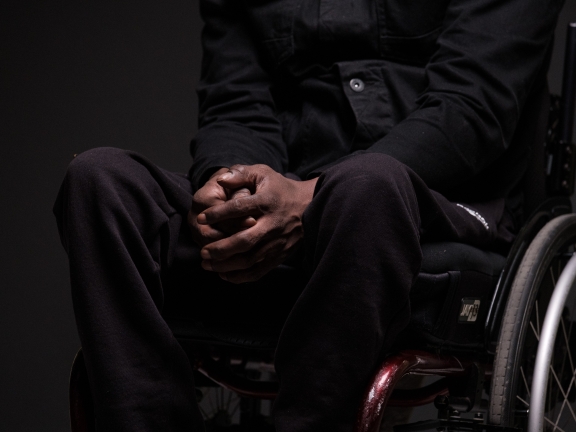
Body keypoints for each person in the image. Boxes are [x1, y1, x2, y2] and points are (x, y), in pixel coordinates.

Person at [54, 0, 564, 431]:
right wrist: (232, 187)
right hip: (280, 192)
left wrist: (311, 199)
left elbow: (472, 110)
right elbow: (236, 104)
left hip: (438, 202)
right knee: (98, 181)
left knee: (368, 185)